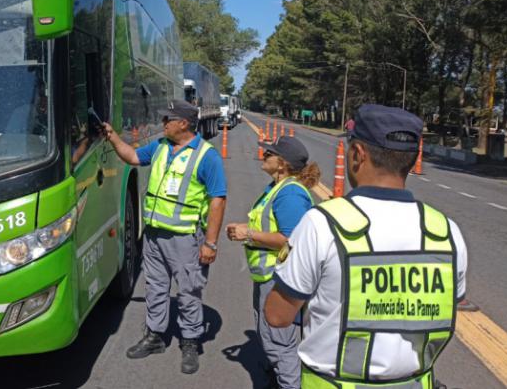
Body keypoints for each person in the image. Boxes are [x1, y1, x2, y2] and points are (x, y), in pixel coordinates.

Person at [265, 104, 467, 388]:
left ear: (358, 154)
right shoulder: (446, 232)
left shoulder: (322, 224)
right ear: (413, 158)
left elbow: (277, 315)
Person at [102, 99, 226, 375]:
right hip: (154, 234)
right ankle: (155, 336)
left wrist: (211, 243)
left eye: (167, 120)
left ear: (183, 123)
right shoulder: (160, 148)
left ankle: (190, 341)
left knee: (188, 291)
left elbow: (218, 200)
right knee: (156, 287)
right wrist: (111, 137)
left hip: (184, 238)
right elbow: (132, 157)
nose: (162, 124)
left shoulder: (206, 156)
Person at [225, 135, 319, 389]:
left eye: (270, 154)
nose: (264, 155)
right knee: (272, 339)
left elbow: (292, 239)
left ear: (282, 164)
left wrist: (249, 234)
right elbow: (273, 226)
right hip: (268, 277)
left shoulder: (289, 194)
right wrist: (247, 229)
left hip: (279, 279)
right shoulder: (277, 187)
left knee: (280, 345)